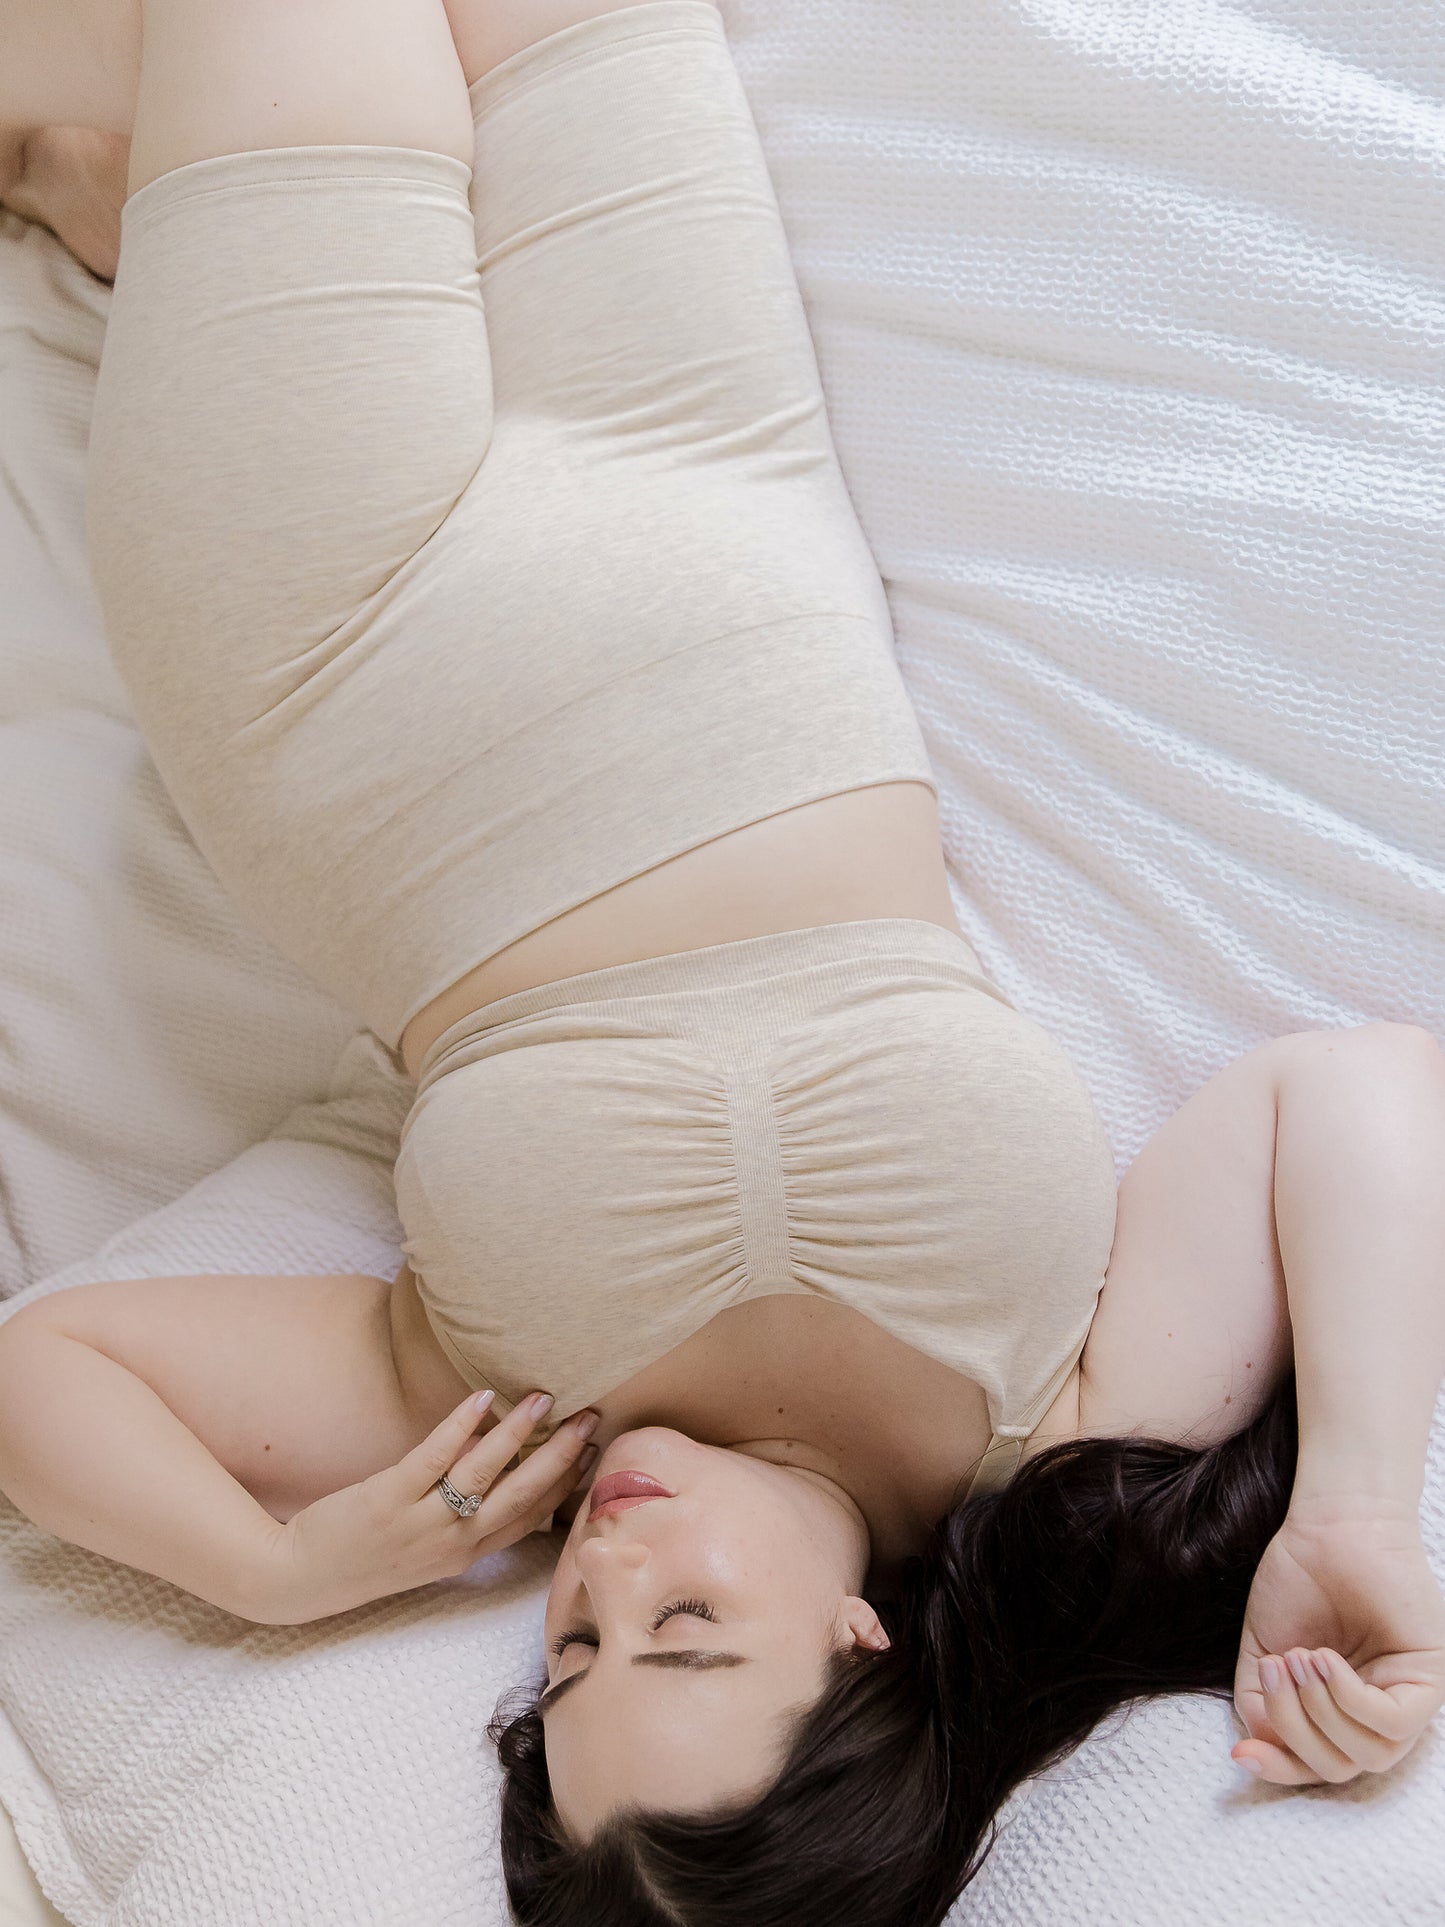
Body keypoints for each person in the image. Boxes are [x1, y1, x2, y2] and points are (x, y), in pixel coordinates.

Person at [0, 4, 1442, 1922]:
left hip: (325, 634)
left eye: (574, 1660)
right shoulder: (1048, 1423)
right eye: (682, 1635)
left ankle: (89, 158)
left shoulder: (494, 1423)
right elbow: (1354, 1099)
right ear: (857, 1646)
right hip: (698, 456)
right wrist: (1352, 1498)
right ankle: (84, 162)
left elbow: (45, 1366)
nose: (600, 1576)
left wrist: (277, 1571)